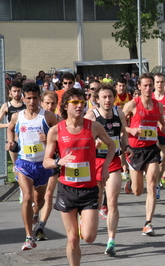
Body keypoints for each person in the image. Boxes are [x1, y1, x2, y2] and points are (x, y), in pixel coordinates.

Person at [43, 88, 115, 265]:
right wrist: (59, 161)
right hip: (67, 190)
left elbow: (111, 145)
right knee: (73, 239)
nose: (79, 106)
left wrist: (105, 166)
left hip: (89, 189)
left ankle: (85, 219)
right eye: (75, 103)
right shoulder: (56, 130)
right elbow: (46, 161)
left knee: (89, 237)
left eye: (82, 102)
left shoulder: (94, 126)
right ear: (66, 106)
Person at [6, 82, 58, 251]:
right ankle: (29, 237)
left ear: (39, 98)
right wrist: (11, 141)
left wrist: (48, 139)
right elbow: (11, 128)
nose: (32, 101)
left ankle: (36, 214)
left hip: (43, 164)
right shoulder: (17, 116)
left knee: (39, 200)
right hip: (24, 163)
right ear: (24, 98)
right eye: (28, 98)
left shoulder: (48, 116)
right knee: (27, 197)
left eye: (35, 98)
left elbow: (59, 136)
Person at [85, 83, 132, 256]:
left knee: (112, 201)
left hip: (112, 161)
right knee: (95, 203)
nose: (107, 100)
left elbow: (123, 133)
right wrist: (94, 143)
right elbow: (84, 140)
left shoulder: (119, 112)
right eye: (104, 97)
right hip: (95, 162)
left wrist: (126, 146)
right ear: (97, 99)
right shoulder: (91, 116)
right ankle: (86, 221)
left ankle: (111, 240)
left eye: (110, 96)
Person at [122, 73, 165, 236]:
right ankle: (131, 181)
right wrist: (131, 130)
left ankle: (148, 223)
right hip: (135, 150)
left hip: (151, 149)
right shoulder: (133, 104)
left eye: (151, 85)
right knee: (138, 191)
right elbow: (120, 125)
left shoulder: (159, 106)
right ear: (139, 87)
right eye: (145, 86)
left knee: (151, 185)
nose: (148, 88)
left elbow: (163, 125)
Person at [35, 91, 64, 241]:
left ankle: (41, 227)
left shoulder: (60, 121)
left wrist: (49, 140)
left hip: (52, 161)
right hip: (34, 163)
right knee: (36, 198)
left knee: (48, 194)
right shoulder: (35, 118)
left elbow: (64, 143)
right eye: (47, 103)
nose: (50, 106)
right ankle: (34, 216)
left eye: (53, 103)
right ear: (41, 102)